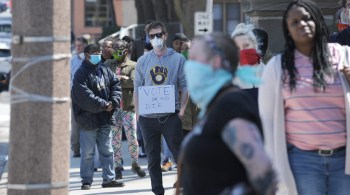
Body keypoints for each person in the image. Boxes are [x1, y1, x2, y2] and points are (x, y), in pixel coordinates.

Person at [259, 0, 350, 194]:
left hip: (345, 161)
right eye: (295, 22)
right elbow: (268, 121)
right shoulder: (277, 67)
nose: (302, 24)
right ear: (288, 29)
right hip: (303, 162)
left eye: (307, 18)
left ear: (318, 20)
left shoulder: (344, 56)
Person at [177, 32, 277, 195]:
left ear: (216, 63)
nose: (189, 66)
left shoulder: (230, 106)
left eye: (194, 59)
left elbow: (264, 174)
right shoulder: (215, 105)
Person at [134, 21, 188, 195]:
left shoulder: (178, 59)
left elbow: (184, 86)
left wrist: (182, 110)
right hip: (147, 118)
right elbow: (137, 89)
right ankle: (158, 191)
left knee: (179, 155)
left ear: (165, 35)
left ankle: (185, 186)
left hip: (170, 116)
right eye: (152, 36)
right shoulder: (142, 61)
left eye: (158, 35)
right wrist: (137, 114)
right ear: (148, 39)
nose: (156, 38)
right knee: (152, 158)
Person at [71, 44, 125, 190]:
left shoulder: (104, 69)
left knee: (107, 150)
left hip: (105, 117)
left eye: (98, 52)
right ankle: (86, 180)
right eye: (94, 53)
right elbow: (83, 96)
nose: (97, 55)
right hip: (88, 120)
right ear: (87, 55)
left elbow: (116, 85)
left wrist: (113, 102)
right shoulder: (80, 74)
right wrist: (103, 104)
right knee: (88, 153)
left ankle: (109, 179)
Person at [104, 39, 146, 180]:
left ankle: (135, 164)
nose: (116, 53)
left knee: (132, 137)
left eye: (119, 50)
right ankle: (117, 166)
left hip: (128, 107)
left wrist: (118, 78)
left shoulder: (133, 65)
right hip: (114, 108)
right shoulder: (108, 64)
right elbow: (104, 81)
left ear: (126, 51)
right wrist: (121, 78)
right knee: (115, 139)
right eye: (114, 50)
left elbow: (134, 82)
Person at [231, 23, 264, 105]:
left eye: (246, 45)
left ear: (254, 44)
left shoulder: (268, 72)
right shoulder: (231, 78)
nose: (242, 50)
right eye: (238, 48)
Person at [70, 36, 88, 158]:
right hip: (75, 96)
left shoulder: (90, 60)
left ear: (85, 46)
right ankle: (76, 149)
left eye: (80, 45)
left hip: (89, 96)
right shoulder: (72, 61)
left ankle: (87, 148)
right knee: (75, 122)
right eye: (76, 46)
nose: (78, 48)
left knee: (88, 123)